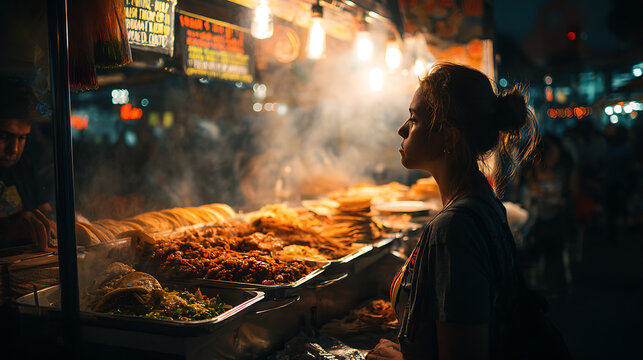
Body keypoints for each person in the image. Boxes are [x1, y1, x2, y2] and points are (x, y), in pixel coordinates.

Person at [367, 63, 538, 360]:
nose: (402, 129)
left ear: (448, 138)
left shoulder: (454, 228)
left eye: (414, 118)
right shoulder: (483, 201)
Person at [0, 77, 56, 249]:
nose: (14, 150)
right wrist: (8, 229)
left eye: (22, 138)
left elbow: (44, 208)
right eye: (3, 136)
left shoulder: (25, 166)